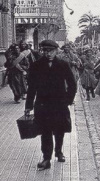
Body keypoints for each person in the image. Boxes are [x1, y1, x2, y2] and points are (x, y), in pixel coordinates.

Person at [24, 40, 77, 170]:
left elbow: (72, 84)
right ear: (42, 51)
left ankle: (59, 151)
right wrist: (28, 106)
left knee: (59, 129)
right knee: (45, 130)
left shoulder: (63, 64)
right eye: (45, 51)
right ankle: (46, 158)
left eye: (51, 51)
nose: (48, 54)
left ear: (56, 51)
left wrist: (68, 100)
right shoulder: (36, 65)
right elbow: (31, 87)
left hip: (59, 103)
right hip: (42, 104)